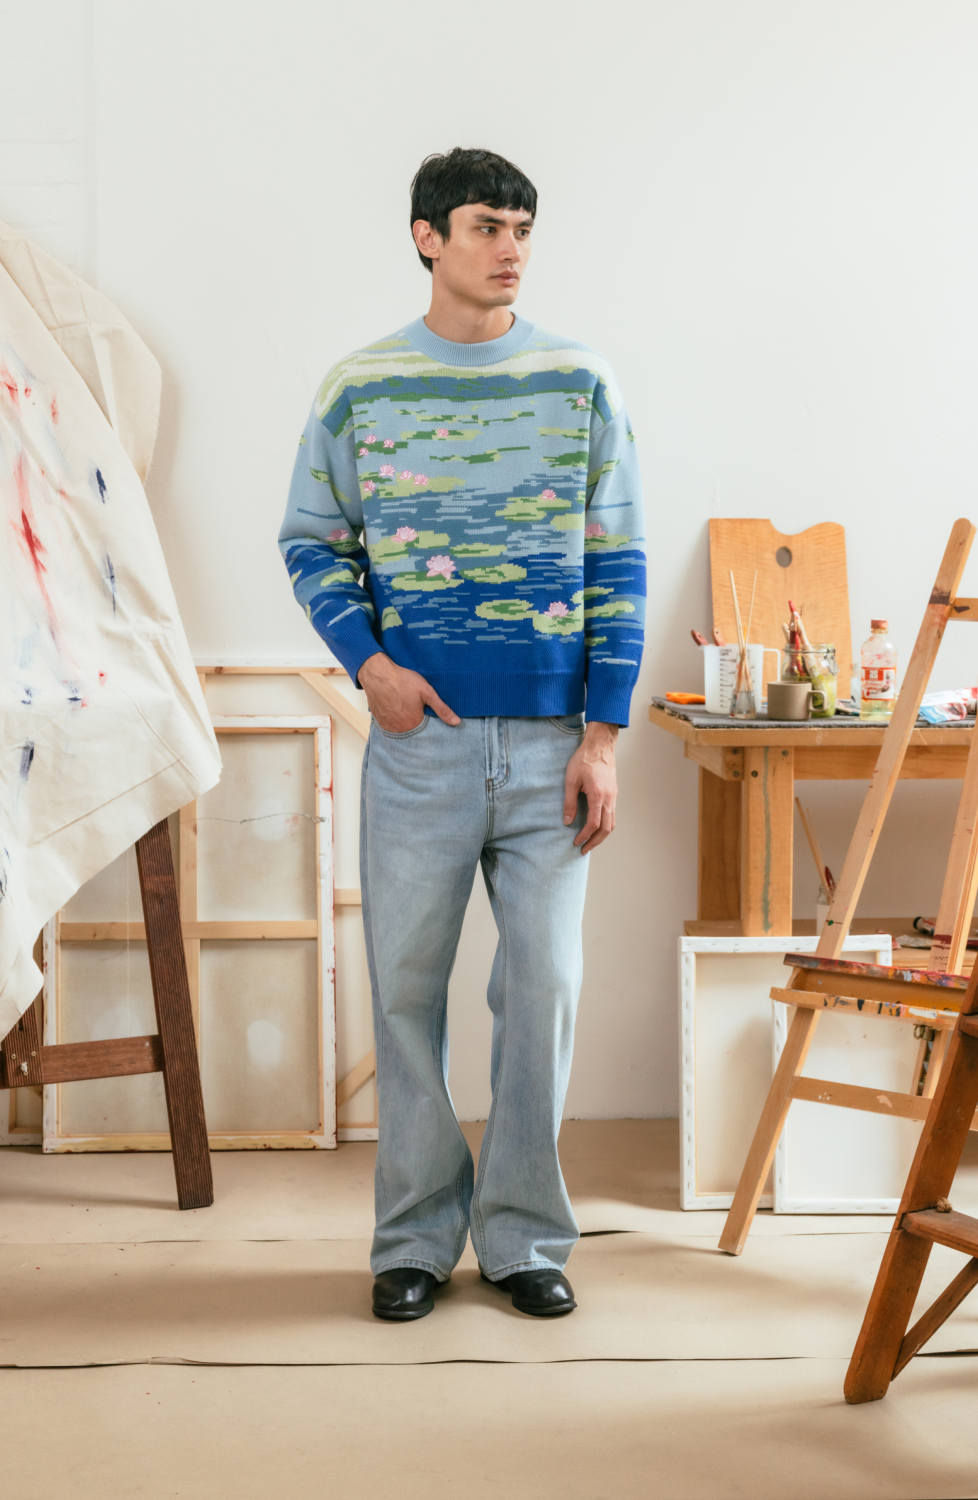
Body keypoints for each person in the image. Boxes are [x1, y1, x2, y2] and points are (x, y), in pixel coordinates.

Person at [279, 147, 645, 1321]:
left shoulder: (580, 380)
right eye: (488, 225)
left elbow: (618, 559)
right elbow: (310, 539)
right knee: (404, 993)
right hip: (420, 747)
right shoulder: (361, 386)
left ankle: (526, 1237)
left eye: (523, 227)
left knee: (544, 992)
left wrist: (602, 738)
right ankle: (413, 1240)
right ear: (427, 236)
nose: (511, 248)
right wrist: (371, 666)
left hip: (550, 749)